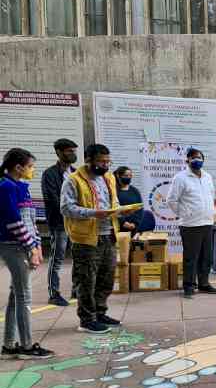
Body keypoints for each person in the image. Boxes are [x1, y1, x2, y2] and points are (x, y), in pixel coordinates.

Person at [60, 144, 121, 334]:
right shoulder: (73, 180)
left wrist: (120, 209)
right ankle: (87, 320)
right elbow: (66, 208)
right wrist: (94, 213)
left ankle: (100, 312)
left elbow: (114, 201)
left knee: (106, 278)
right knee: (86, 280)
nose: (105, 165)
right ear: (88, 160)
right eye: (101, 162)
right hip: (86, 239)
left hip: (108, 235)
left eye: (108, 161)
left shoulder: (109, 177)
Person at [0, 149, 53, 359]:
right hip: (13, 245)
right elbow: (13, 221)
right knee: (24, 296)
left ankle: (9, 344)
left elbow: (30, 220)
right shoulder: (6, 187)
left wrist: (37, 244)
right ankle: (26, 346)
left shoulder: (21, 187)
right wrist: (31, 247)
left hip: (24, 245)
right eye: (30, 166)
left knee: (16, 295)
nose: (32, 170)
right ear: (18, 167)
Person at [167, 148, 216, 298]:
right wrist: (185, 213)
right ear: (187, 160)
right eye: (194, 158)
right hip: (190, 225)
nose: (198, 160)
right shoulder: (181, 178)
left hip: (207, 222)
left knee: (206, 257)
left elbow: (210, 196)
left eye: (200, 158)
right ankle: (189, 286)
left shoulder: (207, 176)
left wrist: (212, 213)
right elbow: (171, 200)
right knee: (191, 258)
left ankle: (204, 284)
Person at [42, 138, 78, 307]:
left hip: (78, 223)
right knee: (57, 258)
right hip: (59, 224)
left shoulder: (76, 172)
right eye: (69, 151)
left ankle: (77, 290)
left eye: (74, 151)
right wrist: (72, 211)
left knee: (79, 257)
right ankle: (54, 293)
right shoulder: (49, 174)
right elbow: (52, 199)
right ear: (59, 152)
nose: (73, 153)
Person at [114, 167, 144, 233]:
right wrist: (123, 222)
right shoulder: (113, 190)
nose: (128, 177)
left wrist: (135, 223)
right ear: (119, 176)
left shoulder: (135, 191)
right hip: (117, 228)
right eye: (126, 175)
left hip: (133, 228)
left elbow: (140, 208)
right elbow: (113, 209)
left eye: (130, 175)